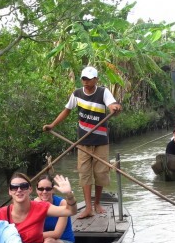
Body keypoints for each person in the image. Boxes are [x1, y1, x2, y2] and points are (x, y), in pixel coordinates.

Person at [43, 66, 122, 219]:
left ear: (96, 79)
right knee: (84, 173)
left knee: (100, 173)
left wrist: (116, 108)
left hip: (101, 141)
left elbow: (112, 105)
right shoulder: (77, 94)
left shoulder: (103, 92)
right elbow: (67, 110)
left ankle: (97, 202)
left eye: (89, 79)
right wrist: (52, 125)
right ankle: (88, 208)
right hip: (83, 141)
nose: (85, 82)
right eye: (83, 79)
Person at [34, 175, 75, 243]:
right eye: (41, 189)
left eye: (48, 189)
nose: (44, 192)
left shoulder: (62, 203)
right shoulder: (33, 204)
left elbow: (56, 234)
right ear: (36, 190)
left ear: (53, 189)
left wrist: (31, 236)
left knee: (49, 240)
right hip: (40, 242)